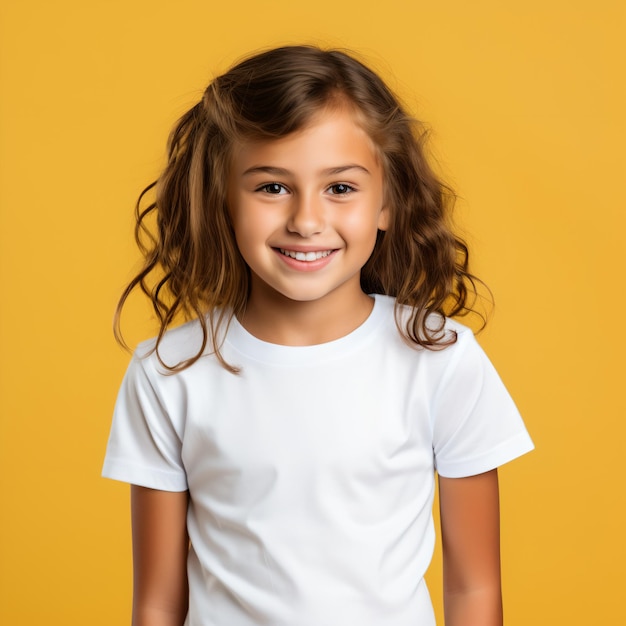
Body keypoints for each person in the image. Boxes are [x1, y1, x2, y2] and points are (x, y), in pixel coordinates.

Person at [103, 45, 533, 626]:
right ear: (223, 201)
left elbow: (475, 590)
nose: (307, 220)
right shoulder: (169, 371)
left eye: (340, 188)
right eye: (272, 187)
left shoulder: (440, 359)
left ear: (387, 201)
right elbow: (157, 603)